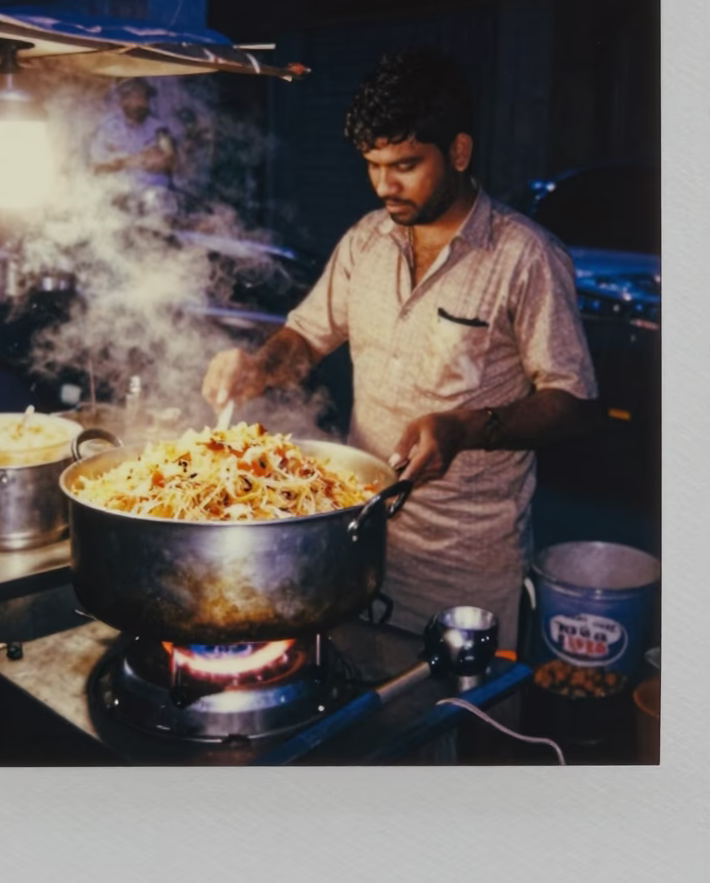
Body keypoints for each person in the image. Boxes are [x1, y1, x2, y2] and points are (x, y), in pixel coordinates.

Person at [201, 49, 599, 649]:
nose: (384, 185)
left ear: (459, 152)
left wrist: (466, 427)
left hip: (466, 569)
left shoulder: (525, 256)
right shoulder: (366, 241)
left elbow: (575, 403)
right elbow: (306, 336)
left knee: (463, 726)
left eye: (406, 164)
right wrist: (258, 367)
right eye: (373, 165)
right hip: (358, 540)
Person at [89, 77, 178, 211]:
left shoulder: (159, 128)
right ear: (123, 101)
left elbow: (171, 159)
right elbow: (96, 167)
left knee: (158, 201)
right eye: (135, 98)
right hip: (119, 195)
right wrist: (125, 161)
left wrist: (163, 160)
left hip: (155, 197)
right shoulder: (108, 129)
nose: (141, 103)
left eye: (144, 98)